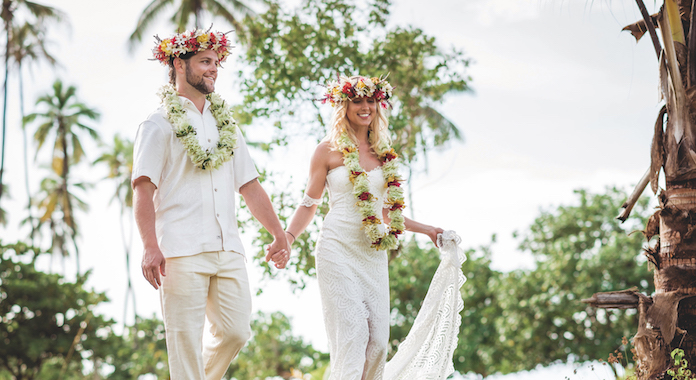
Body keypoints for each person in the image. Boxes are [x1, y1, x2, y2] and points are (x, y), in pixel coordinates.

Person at [131, 28, 290, 380]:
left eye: (216, 63)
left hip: (228, 247)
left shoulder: (227, 124)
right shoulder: (157, 123)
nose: (213, 69)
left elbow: (249, 185)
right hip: (180, 250)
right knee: (185, 340)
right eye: (205, 62)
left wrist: (279, 234)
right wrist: (149, 247)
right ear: (178, 63)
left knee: (236, 331)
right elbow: (142, 189)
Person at [284, 74, 463, 380]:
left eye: (371, 100)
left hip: (372, 254)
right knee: (353, 335)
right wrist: (287, 237)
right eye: (357, 100)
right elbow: (309, 203)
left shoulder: (383, 154)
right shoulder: (326, 151)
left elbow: (386, 212)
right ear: (344, 105)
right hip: (336, 248)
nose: (365, 107)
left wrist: (429, 230)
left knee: (378, 343)